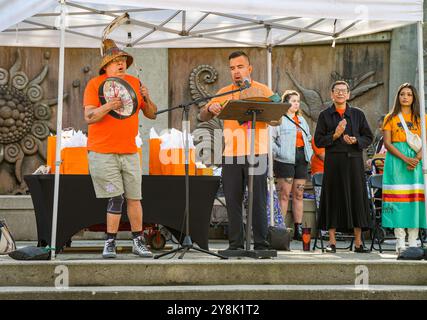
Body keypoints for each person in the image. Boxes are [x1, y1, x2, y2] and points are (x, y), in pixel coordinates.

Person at [83, 39, 158, 258]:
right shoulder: (94, 84)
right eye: (115, 61)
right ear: (105, 66)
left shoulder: (135, 82)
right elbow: (89, 117)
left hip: (130, 151)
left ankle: (138, 241)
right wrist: (109, 105)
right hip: (102, 151)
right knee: (115, 198)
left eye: (123, 60)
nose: (121, 64)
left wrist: (147, 97)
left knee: (135, 198)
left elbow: (152, 114)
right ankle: (110, 242)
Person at [199, 51, 277, 251]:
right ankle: (235, 244)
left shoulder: (263, 90)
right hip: (231, 154)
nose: (236, 72)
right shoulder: (225, 91)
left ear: (249, 69)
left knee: (258, 199)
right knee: (233, 200)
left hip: (257, 153)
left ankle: (261, 243)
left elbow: (277, 117)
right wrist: (211, 108)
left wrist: (267, 112)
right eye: (232, 68)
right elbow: (203, 115)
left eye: (240, 67)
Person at [314, 80, 373, 253]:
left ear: (348, 94)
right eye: (337, 91)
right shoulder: (325, 115)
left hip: (354, 161)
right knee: (333, 199)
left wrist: (357, 140)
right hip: (333, 163)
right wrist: (335, 135)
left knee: (356, 198)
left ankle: (358, 242)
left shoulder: (357, 114)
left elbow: (368, 137)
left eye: (343, 91)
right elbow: (318, 141)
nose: (340, 93)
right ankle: (331, 242)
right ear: (331, 94)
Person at [381, 83, 427, 253]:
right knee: (398, 201)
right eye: (402, 94)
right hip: (396, 162)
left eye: (409, 94)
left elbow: (425, 142)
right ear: (398, 97)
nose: (405, 97)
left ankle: (413, 240)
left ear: (414, 97)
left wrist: (415, 159)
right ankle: (400, 240)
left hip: (416, 163)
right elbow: (387, 142)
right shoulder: (390, 117)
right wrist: (405, 159)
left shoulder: (422, 118)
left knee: (414, 201)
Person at [271, 90, 313, 240]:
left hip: (301, 158)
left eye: (298, 101)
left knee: (299, 193)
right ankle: (280, 229)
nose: (296, 103)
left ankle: (298, 228)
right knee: (284, 194)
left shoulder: (301, 120)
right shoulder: (279, 120)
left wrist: (309, 153)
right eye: (293, 101)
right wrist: (279, 152)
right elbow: (271, 139)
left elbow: (308, 137)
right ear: (286, 103)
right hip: (285, 160)